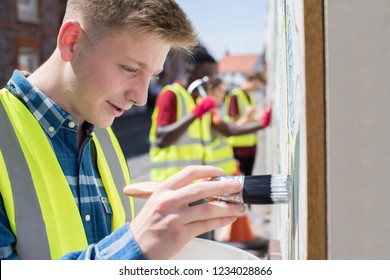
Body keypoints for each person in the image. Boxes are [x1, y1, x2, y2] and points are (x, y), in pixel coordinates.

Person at [0, 0, 248, 260]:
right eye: (130, 69)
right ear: (71, 41)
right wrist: (135, 246)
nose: (140, 97)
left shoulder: (105, 136)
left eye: (151, 76)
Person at [149, 48, 270, 183]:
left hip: (194, 183)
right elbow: (162, 139)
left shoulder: (200, 100)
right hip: (170, 183)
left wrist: (262, 124)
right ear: (190, 70)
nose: (210, 82)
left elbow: (228, 130)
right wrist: (196, 113)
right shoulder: (171, 95)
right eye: (207, 77)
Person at [224, 71, 271, 176]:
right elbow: (235, 124)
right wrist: (247, 116)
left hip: (251, 144)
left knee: (249, 175)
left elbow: (251, 119)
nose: (255, 89)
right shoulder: (234, 96)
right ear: (249, 80)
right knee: (240, 177)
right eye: (255, 85)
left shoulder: (249, 96)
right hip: (238, 146)